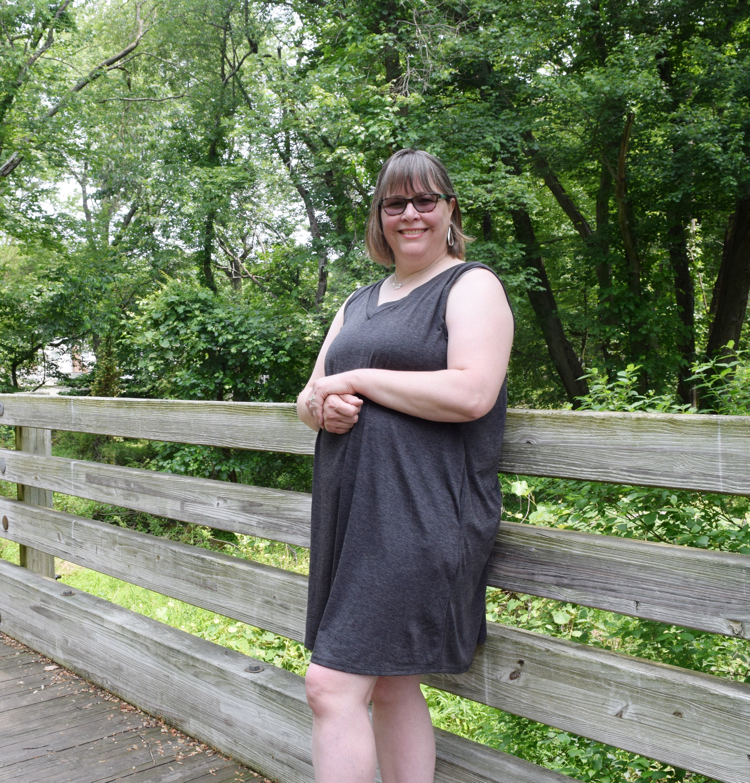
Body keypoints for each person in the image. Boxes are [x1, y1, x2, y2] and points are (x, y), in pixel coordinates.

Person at [296, 148, 514, 783]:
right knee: (391, 684)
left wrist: (359, 377)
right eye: (396, 203)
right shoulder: (358, 302)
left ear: (450, 209)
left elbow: (473, 393)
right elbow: (308, 396)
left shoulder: (471, 285)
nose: (411, 214)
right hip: (355, 516)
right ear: (380, 216)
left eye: (426, 200)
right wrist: (321, 408)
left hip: (422, 516)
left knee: (330, 687)